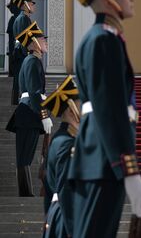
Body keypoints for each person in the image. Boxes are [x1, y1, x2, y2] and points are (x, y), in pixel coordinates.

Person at [63, 0, 141, 237]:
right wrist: (129, 168)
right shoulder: (103, 42)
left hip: (97, 158)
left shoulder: (98, 39)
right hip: (102, 161)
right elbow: (109, 109)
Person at [5, 21, 52, 196]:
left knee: (25, 157)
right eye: (42, 39)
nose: (45, 42)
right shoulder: (32, 61)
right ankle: (25, 193)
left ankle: (26, 192)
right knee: (24, 157)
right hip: (29, 113)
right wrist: (44, 115)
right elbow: (34, 92)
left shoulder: (31, 60)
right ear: (33, 43)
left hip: (28, 113)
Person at [41, 75, 80, 238]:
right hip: (65, 222)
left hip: (58, 218)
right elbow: (65, 190)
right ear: (72, 109)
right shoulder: (66, 143)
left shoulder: (60, 139)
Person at [10, 0, 35, 105]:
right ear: (24, 5)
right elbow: (23, 39)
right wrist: (29, 54)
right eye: (31, 3)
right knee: (22, 81)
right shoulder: (23, 18)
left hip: (21, 54)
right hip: (22, 54)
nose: (33, 6)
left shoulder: (23, 18)